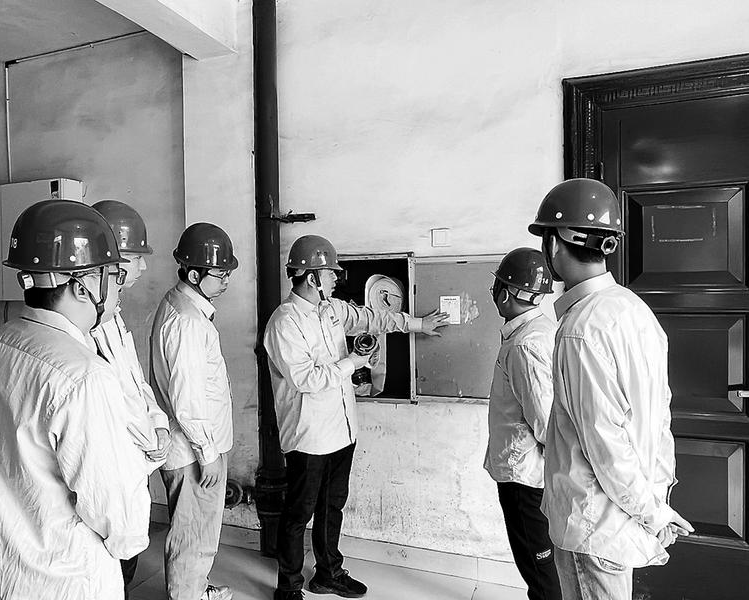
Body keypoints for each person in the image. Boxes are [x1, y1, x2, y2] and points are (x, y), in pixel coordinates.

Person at [0, 199, 151, 599]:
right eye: (114, 274)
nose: (119, 285)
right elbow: (122, 521)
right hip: (63, 580)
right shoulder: (84, 376)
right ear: (83, 286)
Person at [528, 178, 694, 600]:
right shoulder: (634, 310)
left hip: (593, 527)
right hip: (622, 519)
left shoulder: (580, 331)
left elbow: (606, 444)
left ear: (554, 244)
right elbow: (659, 419)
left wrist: (653, 513)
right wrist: (656, 501)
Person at [263, 234, 449, 600]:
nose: (336, 278)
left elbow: (371, 317)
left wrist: (417, 324)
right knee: (298, 512)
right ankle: (288, 586)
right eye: (330, 272)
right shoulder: (284, 323)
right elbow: (306, 379)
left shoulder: (330, 309)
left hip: (342, 430)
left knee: (332, 506)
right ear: (312, 278)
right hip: (309, 436)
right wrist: (353, 362)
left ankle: (328, 574)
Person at [150, 223, 238, 600]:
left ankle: (195, 588)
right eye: (220, 273)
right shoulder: (186, 320)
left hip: (194, 446)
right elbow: (187, 399)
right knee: (192, 533)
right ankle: (187, 595)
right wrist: (208, 453)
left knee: (198, 527)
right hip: (192, 450)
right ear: (193, 274)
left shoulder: (183, 306)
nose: (226, 280)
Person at [92, 199, 172, 598]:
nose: (143, 267)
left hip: (135, 465)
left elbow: (135, 382)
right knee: (112, 573)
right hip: (115, 476)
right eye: (138, 257)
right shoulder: (86, 328)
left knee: (126, 566)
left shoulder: (114, 315)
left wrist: (158, 423)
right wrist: (150, 440)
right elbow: (109, 409)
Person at [484, 248, 561, 600]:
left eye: (497, 285)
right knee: (542, 566)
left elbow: (544, 422)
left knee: (539, 571)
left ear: (506, 293)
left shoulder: (524, 345)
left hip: (524, 477)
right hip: (532, 473)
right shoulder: (542, 329)